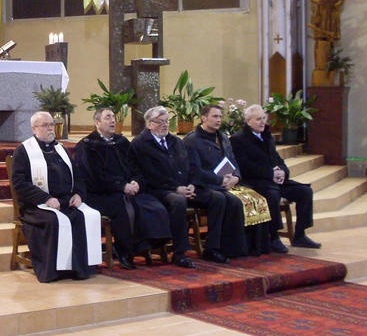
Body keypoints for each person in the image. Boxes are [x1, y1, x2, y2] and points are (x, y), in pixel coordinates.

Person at [129, 106, 229, 268]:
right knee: (178, 201)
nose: (164, 125)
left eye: (166, 121)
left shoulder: (176, 142)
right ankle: (179, 253)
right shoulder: (140, 144)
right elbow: (149, 175)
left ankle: (212, 248)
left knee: (218, 198)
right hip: (159, 190)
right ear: (149, 124)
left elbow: (192, 167)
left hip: (185, 187)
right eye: (160, 122)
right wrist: (176, 188)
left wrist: (192, 184)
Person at [10, 111, 102, 282]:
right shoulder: (24, 151)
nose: (50, 128)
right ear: (34, 129)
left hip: (65, 201)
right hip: (37, 205)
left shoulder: (61, 149)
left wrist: (79, 194)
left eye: (52, 124)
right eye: (45, 125)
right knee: (53, 221)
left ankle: (79, 269)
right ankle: (53, 271)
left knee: (85, 216)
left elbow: (78, 176)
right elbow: (19, 183)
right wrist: (45, 198)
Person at [75, 108, 171, 269]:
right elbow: (93, 177)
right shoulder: (87, 145)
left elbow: (135, 167)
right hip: (99, 194)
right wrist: (121, 186)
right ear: (97, 123)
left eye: (113, 117)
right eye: (107, 117)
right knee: (122, 205)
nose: (113, 120)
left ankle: (148, 245)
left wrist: (136, 181)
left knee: (150, 203)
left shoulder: (122, 142)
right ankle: (125, 252)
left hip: (127, 190)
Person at [231, 104, 322, 252]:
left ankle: (300, 235)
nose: (263, 122)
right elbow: (244, 166)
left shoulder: (267, 136)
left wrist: (283, 172)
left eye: (264, 118)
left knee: (305, 192)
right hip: (256, 182)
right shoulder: (238, 139)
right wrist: (270, 173)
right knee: (273, 195)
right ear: (248, 121)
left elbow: (278, 159)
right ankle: (273, 237)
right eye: (258, 119)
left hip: (275, 180)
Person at [184, 104, 271, 257]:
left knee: (256, 198)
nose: (219, 120)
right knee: (230, 201)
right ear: (204, 118)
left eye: (220, 116)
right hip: (203, 186)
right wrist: (220, 180)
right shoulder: (192, 140)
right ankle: (218, 248)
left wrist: (236, 177)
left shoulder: (223, 137)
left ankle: (255, 246)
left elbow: (233, 161)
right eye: (215, 116)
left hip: (226, 183)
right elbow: (195, 171)